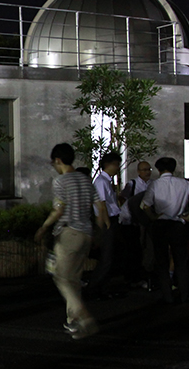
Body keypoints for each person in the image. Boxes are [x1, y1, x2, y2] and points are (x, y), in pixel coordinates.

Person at [35, 143, 107, 340]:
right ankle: (73, 321)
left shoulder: (61, 181)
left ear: (58, 161)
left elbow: (58, 210)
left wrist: (43, 227)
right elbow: (100, 208)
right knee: (73, 279)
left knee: (61, 277)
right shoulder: (86, 180)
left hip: (69, 234)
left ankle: (83, 315)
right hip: (86, 234)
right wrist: (98, 233)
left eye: (54, 164)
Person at [142, 158, 189, 304]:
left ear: (158, 170)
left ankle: (167, 295)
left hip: (161, 224)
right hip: (178, 224)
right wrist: (188, 217)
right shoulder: (184, 183)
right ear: (173, 168)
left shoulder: (155, 184)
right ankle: (184, 294)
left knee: (162, 262)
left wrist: (153, 217)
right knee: (181, 261)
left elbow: (145, 205)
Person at [86, 152, 122, 299]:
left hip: (111, 220)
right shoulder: (101, 181)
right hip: (108, 221)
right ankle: (94, 289)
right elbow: (101, 204)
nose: (118, 168)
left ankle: (102, 288)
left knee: (110, 257)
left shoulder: (106, 181)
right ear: (109, 165)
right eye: (116, 164)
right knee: (106, 258)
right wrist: (106, 224)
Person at [118, 161, 153, 288]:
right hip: (130, 221)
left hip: (143, 221)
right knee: (132, 249)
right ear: (138, 171)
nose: (147, 172)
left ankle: (139, 275)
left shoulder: (152, 184)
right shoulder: (133, 184)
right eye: (144, 170)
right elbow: (124, 199)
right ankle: (131, 276)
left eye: (149, 169)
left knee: (142, 249)